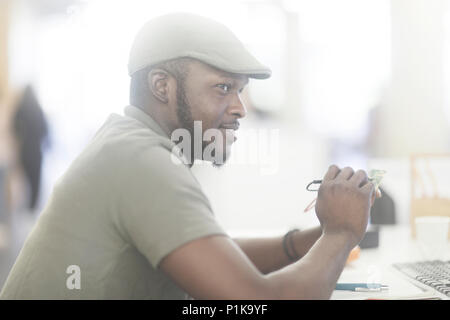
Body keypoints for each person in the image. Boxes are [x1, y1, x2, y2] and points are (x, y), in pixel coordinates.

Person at [0, 13, 379, 299]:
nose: (240, 108)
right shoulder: (142, 162)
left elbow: (209, 252)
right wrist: (341, 233)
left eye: (240, 91)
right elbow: (254, 302)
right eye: (223, 88)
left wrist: (309, 240)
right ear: (161, 86)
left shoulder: (130, 142)